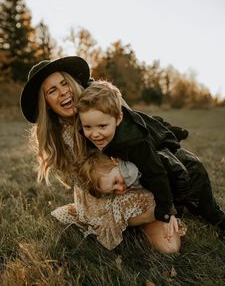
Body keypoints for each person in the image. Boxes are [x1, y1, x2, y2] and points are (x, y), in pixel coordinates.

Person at [20, 56, 182, 253]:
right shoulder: (58, 136)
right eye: (52, 91)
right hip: (99, 193)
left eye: (64, 83)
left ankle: (137, 220)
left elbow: (141, 147)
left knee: (169, 247)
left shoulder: (103, 102)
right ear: (45, 102)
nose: (62, 92)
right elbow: (84, 183)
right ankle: (118, 223)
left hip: (136, 177)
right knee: (155, 222)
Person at [77, 80, 225, 241]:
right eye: (88, 127)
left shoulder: (135, 143)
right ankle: (183, 205)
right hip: (169, 166)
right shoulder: (103, 127)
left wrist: (166, 211)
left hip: (188, 170)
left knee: (208, 209)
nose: (94, 134)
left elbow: (157, 174)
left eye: (102, 126)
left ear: (118, 119)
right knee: (186, 203)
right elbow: (149, 120)